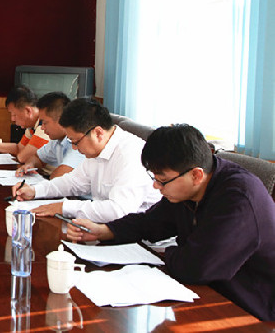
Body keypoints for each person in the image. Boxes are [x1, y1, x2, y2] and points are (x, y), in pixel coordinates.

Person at [66, 124, 275, 321]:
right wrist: (105, 230)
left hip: (248, 307)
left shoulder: (238, 199)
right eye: (155, 178)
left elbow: (196, 268)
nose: (156, 187)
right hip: (202, 291)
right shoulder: (186, 187)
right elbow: (151, 222)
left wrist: (170, 252)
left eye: (162, 180)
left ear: (196, 175)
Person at [12, 98, 161, 222]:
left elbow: (119, 210)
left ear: (98, 133)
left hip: (143, 239)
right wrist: (34, 191)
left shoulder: (131, 154)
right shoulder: (96, 150)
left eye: (76, 142)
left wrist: (63, 207)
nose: (74, 148)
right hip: (108, 228)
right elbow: (72, 182)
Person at [15, 92, 84, 179]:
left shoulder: (78, 141)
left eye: (45, 123)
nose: (42, 127)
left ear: (61, 120)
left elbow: (59, 177)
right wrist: (30, 165)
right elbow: (37, 157)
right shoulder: (56, 141)